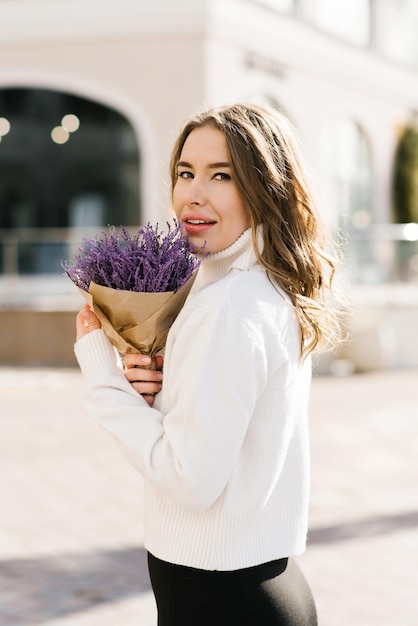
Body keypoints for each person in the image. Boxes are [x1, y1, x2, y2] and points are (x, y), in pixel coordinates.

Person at [74, 103, 342, 625]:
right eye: (184, 172)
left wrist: (102, 376)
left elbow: (189, 481)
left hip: (221, 597)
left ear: (265, 188)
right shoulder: (253, 287)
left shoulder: (229, 306)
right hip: (258, 586)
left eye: (222, 175)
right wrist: (159, 389)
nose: (192, 194)